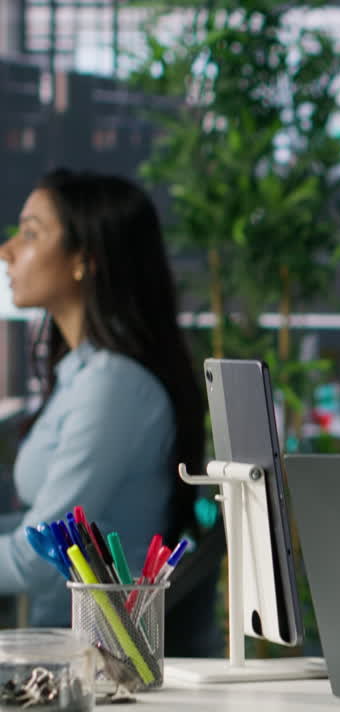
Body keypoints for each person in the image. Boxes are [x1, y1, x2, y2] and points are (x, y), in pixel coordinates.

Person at [0, 170, 212, 648]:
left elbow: (40, 554)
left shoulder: (113, 386)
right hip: (70, 643)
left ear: (84, 260)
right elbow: (35, 530)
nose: (7, 250)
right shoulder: (82, 373)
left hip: (105, 657)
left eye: (31, 233)